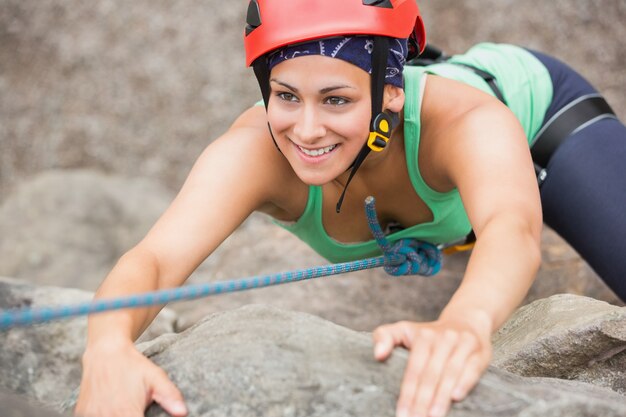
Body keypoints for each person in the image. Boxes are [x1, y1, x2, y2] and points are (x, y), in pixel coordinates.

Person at [75, 1, 625, 417]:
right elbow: (154, 260)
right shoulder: (254, 153)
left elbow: (512, 229)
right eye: (286, 95)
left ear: (391, 92)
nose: (306, 130)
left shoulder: (468, 124)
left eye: (336, 99)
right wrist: (105, 347)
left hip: (543, 118)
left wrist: (464, 323)